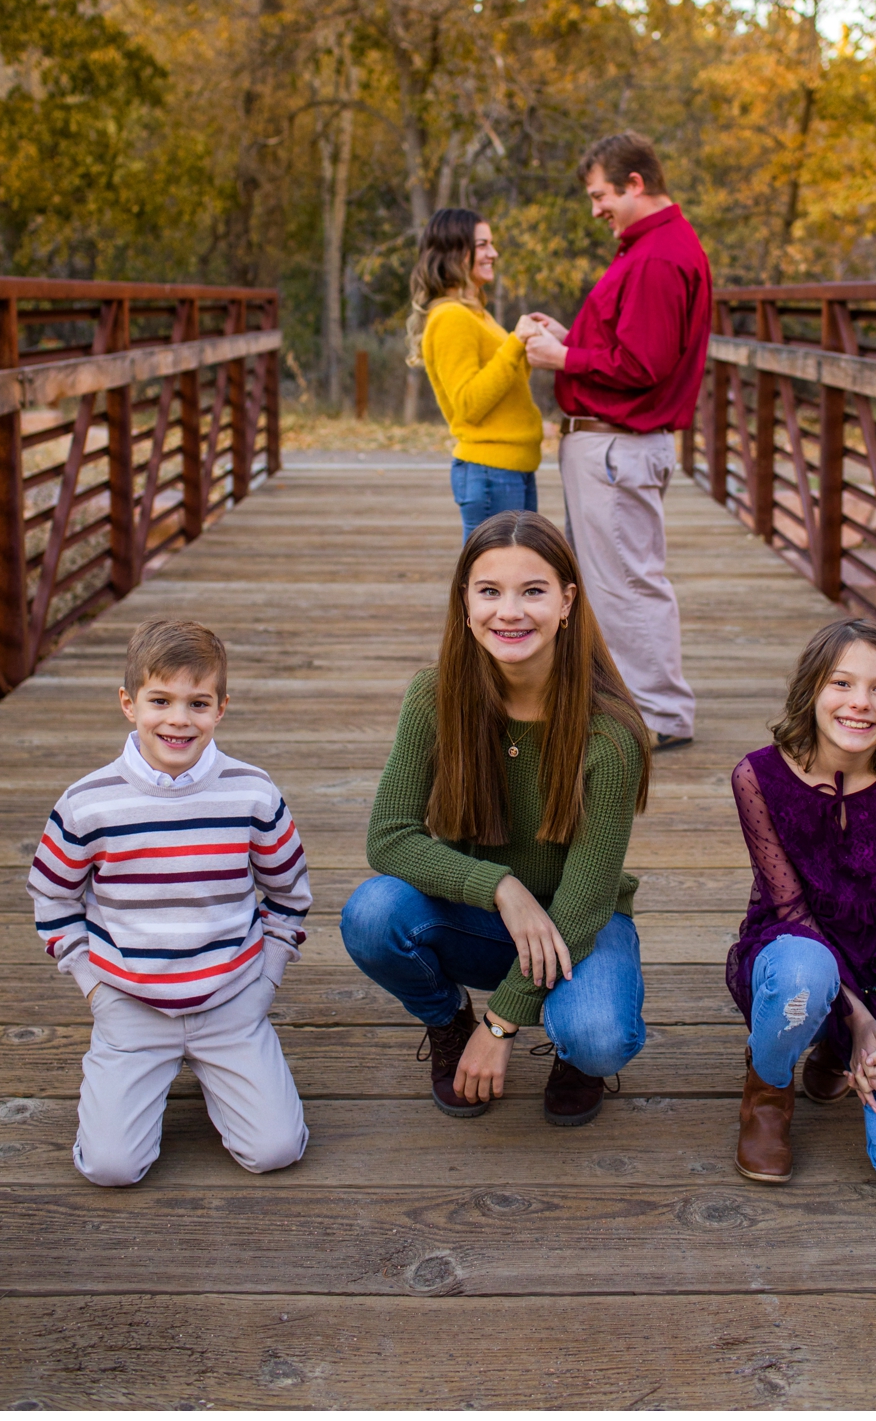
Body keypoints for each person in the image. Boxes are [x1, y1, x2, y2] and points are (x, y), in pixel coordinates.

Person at [342, 511, 651, 1129]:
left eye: (532, 592)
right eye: (489, 592)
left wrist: (502, 1022)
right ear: (464, 603)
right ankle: (445, 1019)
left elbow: (585, 903)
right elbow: (389, 838)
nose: (509, 612)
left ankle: (572, 1055)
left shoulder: (610, 736)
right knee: (372, 914)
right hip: (482, 920)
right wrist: (501, 888)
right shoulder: (434, 697)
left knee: (598, 1036)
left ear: (566, 602)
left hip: (579, 925)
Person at [26, 620, 310, 1185]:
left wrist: (266, 981)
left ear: (221, 709)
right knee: (111, 1168)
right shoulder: (87, 804)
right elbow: (52, 897)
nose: (179, 719)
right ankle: (133, 1080)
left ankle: (227, 1073)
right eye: (161, 700)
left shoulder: (253, 792)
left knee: (277, 1150)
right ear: (129, 704)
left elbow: (287, 894)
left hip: (232, 998)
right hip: (129, 1002)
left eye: (198, 702)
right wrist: (95, 986)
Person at [726, 618, 876, 1194]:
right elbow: (790, 909)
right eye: (841, 684)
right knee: (806, 969)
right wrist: (860, 1025)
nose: (861, 704)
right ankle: (768, 1090)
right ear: (812, 691)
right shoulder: (757, 776)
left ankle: (834, 1050)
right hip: (797, 950)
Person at [516, 131, 713, 750]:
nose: (595, 208)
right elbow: (633, 350)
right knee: (616, 579)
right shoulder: (651, 250)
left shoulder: (656, 257)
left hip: (617, 447)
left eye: (601, 195)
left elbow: (644, 365)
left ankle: (657, 716)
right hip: (615, 445)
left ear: (634, 184)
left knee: (627, 582)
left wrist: (562, 356)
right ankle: (638, 705)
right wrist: (572, 338)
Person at [408, 207, 544, 537]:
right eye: (482, 245)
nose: (493, 253)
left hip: (512, 467)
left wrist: (526, 344)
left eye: (491, 244)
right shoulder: (451, 318)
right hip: (490, 471)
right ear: (455, 252)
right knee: (494, 583)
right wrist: (515, 343)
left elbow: (505, 387)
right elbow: (468, 403)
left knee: (515, 578)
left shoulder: (476, 313)